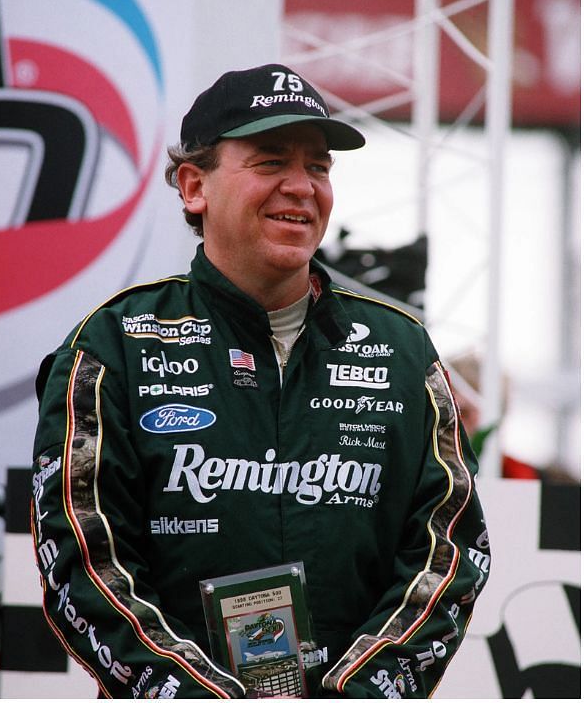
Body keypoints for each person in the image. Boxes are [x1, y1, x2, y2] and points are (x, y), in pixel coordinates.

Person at [32, 63, 490, 698]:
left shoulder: (402, 348)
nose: (302, 187)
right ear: (194, 186)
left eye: (320, 167)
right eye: (271, 161)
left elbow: (451, 548)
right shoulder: (115, 344)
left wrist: (359, 692)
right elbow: (81, 560)